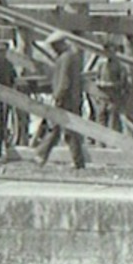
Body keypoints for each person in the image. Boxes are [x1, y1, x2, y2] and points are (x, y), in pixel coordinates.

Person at [36, 32, 87, 168]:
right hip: (72, 100)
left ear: (60, 44)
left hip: (66, 101)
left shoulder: (65, 58)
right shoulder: (72, 57)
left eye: (54, 46)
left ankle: (41, 155)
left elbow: (64, 81)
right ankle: (77, 161)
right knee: (65, 130)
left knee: (59, 129)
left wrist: (57, 98)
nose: (53, 49)